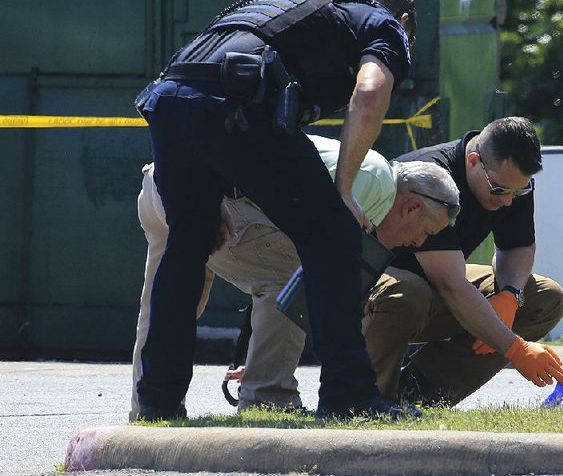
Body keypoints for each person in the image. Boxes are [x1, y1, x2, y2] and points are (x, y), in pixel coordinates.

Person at [132, 0, 419, 420]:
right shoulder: (385, 25)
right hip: (234, 102)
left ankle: (157, 401)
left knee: (189, 243)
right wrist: (342, 191)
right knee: (334, 235)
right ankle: (351, 397)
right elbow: (369, 92)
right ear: (403, 22)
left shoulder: (299, 0)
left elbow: (206, 84)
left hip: (171, 96)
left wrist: (217, 195)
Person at [130, 135, 459, 420]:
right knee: (296, 275)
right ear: (412, 207)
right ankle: (268, 397)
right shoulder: (374, 182)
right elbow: (304, 282)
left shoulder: (372, 175)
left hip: (164, 182)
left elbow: (268, 256)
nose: (417, 244)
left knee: (166, 302)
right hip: (208, 192)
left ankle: (149, 407)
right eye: (425, 232)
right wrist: (266, 366)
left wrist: (263, 355)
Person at [361, 116, 563, 406]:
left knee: (545, 298)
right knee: (408, 293)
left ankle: (417, 395)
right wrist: (516, 349)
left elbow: (518, 247)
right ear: (473, 161)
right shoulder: (432, 179)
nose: (509, 201)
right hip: (369, 288)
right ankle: (365, 398)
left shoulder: (509, 180)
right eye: (500, 191)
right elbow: (450, 284)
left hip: (437, 286)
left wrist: (510, 295)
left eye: (519, 191)